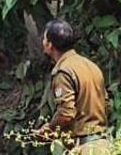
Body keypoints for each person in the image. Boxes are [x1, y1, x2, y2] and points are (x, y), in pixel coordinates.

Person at [39, 19, 110, 153]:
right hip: (103, 145)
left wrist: (47, 130)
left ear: (50, 45)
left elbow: (66, 114)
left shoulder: (63, 71)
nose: (42, 42)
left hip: (83, 147)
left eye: (44, 38)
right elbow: (105, 103)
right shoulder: (91, 66)